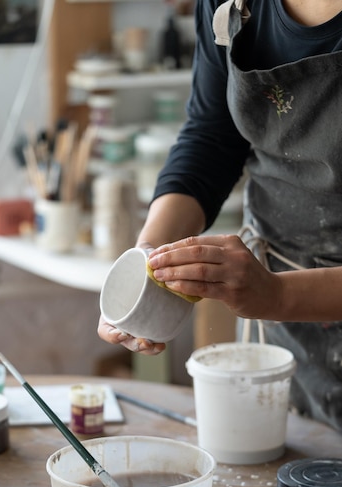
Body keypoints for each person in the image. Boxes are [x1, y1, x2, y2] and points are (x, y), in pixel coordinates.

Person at [98, 0, 342, 432]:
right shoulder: (233, 6)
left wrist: (278, 296)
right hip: (288, 334)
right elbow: (213, 138)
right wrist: (149, 260)